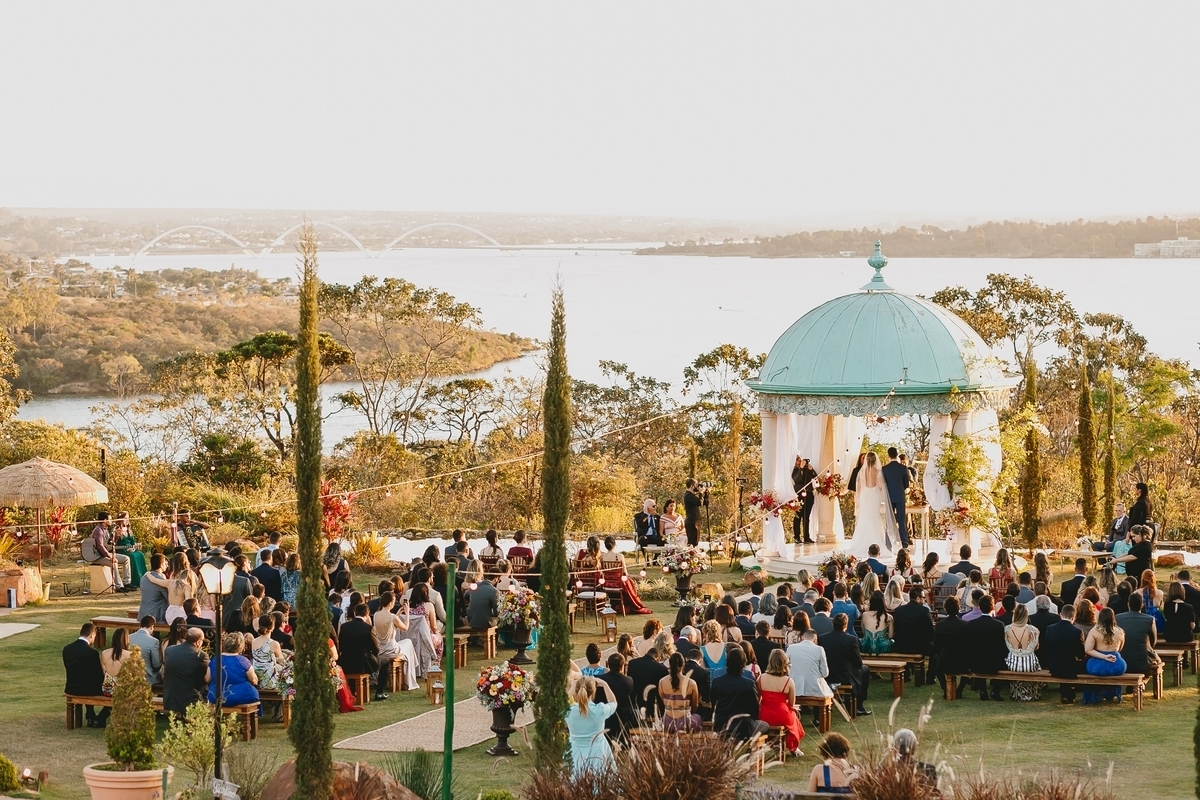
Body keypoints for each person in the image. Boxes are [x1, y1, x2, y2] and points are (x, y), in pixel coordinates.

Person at [711, 645, 767, 742]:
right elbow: (755, 709)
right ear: (743, 663)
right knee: (765, 725)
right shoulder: (749, 684)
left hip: (721, 725)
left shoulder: (717, 682)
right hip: (744, 727)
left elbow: (713, 704)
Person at [820, 613, 872, 716]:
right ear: (846, 625)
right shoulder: (851, 640)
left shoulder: (822, 638)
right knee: (865, 670)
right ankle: (859, 705)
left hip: (827, 674)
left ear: (833, 624)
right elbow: (857, 664)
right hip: (845, 676)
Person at [566, 676, 617, 777]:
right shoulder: (600, 710)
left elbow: (562, 703)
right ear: (593, 692)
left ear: (576, 691)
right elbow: (614, 703)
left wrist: (573, 687)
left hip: (574, 752)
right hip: (598, 753)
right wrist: (604, 684)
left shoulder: (568, 711)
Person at [756, 649, 804, 755]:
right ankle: (793, 747)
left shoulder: (760, 678)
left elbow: (758, 699)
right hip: (782, 714)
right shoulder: (788, 681)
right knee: (793, 715)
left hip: (764, 714)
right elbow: (791, 703)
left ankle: (775, 745)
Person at [63, 623, 108, 727]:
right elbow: (98, 676)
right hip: (87, 689)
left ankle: (90, 713)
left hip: (71, 688)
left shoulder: (67, 649)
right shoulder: (92, 653)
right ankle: (100, 718)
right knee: (112, 692)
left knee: (88, 682)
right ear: (92, 634)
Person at [966, 595, 1008, 701]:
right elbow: (1001, 646)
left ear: (979, 607)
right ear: (993, 607)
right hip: (994, 663)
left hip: (975, 662)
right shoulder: (999, 625)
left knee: (981, 657)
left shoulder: (971, 624)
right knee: (1007, 665)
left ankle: (983, 690)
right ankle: (995, 690)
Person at [847, 452, 888, 557]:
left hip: (864, 495)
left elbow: (859, 487)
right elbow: (880, 485)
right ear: (875, 461)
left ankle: (861, 541)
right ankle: (876, 542)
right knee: (874, 517)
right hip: (874, 495)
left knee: (864, 517)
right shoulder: (877, 471)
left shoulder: (861, 471)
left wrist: (859, 500)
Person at [339, 603, 383, 699]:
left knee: (353, 661)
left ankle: (353, 691)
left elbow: (341, 646)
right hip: (363, 663)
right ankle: (379, 691)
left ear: (355, 613)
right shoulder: (369, 628)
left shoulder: (344, 627)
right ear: (367, 614)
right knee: (385, 661)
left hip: (346, 661)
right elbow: (376, 649)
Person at [1042, 603, 1085, 703]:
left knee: (1063, 663)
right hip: (1071, 668)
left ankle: (1066, 694)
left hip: (1054, 666)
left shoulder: (1050, 629)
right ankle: (1068, 694)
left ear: (1061, 615)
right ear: (1074, 617)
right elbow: (1081, 654)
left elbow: (1047, 649)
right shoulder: (1077, 631)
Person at [599, 535, 653, 614]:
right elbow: (625, 573)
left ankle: (615, 604)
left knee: (629, 581)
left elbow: (602, 572)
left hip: (606, 583)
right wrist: (635, 576)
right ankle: (632, 604)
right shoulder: (620, 556)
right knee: (630, 582)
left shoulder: (602, 557)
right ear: (615, 545)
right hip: (618, 583)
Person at [162, 628, 210, 716]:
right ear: (198, 642)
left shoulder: (169, 650)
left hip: (171, 695)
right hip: (189, 696)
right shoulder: (201, 655)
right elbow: (207, 677)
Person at [1083, 608, 1127, 704]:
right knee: (1113, 671)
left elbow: (1088, 650)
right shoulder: (1120, 631)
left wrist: (1104, 657)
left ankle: (1095, 696)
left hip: (1098, 664)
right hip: (1116, 664)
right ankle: (1111, 694)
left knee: (1092, 668)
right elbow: (1119, 649)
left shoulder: (1094, 631)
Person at [931, 596, 970, 697]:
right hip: (962, 661)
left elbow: (936, 646)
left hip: (945, 660)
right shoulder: (965, 625)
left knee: (936, 662)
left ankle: (945, 688)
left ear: (945, 609)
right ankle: (959, 689)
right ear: (958, 608)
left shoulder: (940, 625)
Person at [86, 511, 132, 592]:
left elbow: (109, 545)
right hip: (97, 556)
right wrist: (110, 557)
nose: (111, 521)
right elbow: (100, 546)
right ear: (104, 520)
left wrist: (117, 537)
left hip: (104, 554)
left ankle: (127, 582)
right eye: (110, 519)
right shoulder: (98, 531)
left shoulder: (105, 530)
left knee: (126, 559)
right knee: (114, 563)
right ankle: (118, 586)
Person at [657, 652, 702, 732]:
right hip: (685, 723)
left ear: (670, 665)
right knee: (698, 717)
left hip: (667, 722)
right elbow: (695, 706)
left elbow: (662, 700)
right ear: (683, 665)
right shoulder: (691, 683)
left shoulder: (661, 682)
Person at [1004, 605, 1042, 701]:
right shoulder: (1034, 630)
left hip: (1013, 662)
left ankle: (1016, 693)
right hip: (1030, 662)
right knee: (1035, 666)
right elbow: (1037, 647)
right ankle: (1032, 693)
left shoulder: (1006, 629)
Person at [1116, 592, 1158, 677]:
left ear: (1128, 605)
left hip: (1122, 658)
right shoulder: (1149, 619)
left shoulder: (1117, 618)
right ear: (1142, 605)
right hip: (1142, 661)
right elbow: (1153, 641)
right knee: (1156, 658)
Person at [597, 653, 636, 742]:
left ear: (609, 666)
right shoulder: (629, 681)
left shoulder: (599, 680)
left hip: (605, 718)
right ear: (622, 666)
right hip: (623, 720)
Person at [891, 586, 934, 660]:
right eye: (923, 597)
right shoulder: (924, 611)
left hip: (901, 646)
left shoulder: (899, 610)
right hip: (918, 647)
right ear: (918, 598)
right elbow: (930, 633)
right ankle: (931, 671)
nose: (924, 600)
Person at [880, 447, 911, 548]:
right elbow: (906, 484)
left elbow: (883, 484)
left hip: (889, 497)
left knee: (889, 520)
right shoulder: (903, 468)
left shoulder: (884, 469)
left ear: (888, 455)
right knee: (902, 520)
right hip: (900, 496)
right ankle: (905, 543)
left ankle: (888, 544)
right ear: (897, 455)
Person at [627, 645, 669, 719]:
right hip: (652, 704)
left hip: (635, 701)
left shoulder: (632, 663)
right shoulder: (661, 669)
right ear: (658, 658)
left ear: (646, 653)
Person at [250, 614, 283, 694]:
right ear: (272, 627)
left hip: (257, 679)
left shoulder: (253, 642)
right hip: (270, 681)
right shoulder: (274, 643)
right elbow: (281, 661)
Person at [137, 553, 171, 623]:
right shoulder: (160, 579)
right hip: (155, 614)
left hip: (143, 612)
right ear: (161, 565)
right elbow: (169, 598)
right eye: (165, 564)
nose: (167, 566)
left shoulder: (144, 577)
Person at [792, 456, 818, 544]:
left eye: (800, 459)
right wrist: (801, 468)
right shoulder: (794, 470)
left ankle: (806, 537)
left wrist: (811, 469)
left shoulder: (807, 469)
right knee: (798, 516)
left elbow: (815, 476)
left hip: (809, 494)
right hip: (799, 495)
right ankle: (797, 537)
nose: (799, 461)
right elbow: (797, 479)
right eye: (797, 460)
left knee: (806, 517)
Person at [165, 552, 195, 624]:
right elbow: (193, 586)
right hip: (184, 605)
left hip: (173, 606)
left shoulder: (173, 574)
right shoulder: (189, 573)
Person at [860, 591, 894, 655]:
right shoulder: (889, 617)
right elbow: (890, 636)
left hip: (866, 646)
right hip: (882, 647)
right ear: (883, 602)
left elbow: (864, 632)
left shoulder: (864, 615)